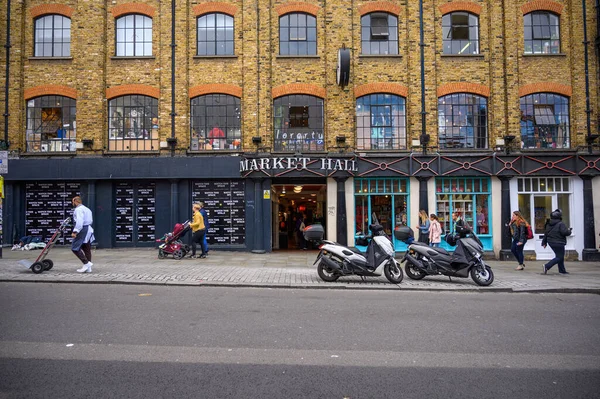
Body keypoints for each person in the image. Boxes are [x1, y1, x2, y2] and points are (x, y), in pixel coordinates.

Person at [542, 209, 572, 275]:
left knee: (559, 256)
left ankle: (562, 270)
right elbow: (564, 232)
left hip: (551, 242)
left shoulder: (548, 224)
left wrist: (544, 242)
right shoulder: (561, 224)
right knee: (560, 257)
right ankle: (547, 266)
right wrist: (569, 231)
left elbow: (546, 233)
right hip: (559, 242)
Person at [71, 196, 95, 273]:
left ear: (75, 201)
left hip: (82, 229)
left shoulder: (78, 210)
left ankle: (86, 263)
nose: (72, 203)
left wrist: (75, 231)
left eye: (73, 201)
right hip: (88, 229)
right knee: (86, 248)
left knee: (75, 247)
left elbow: (79, 221)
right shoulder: (87, 209)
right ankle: (88, 268)